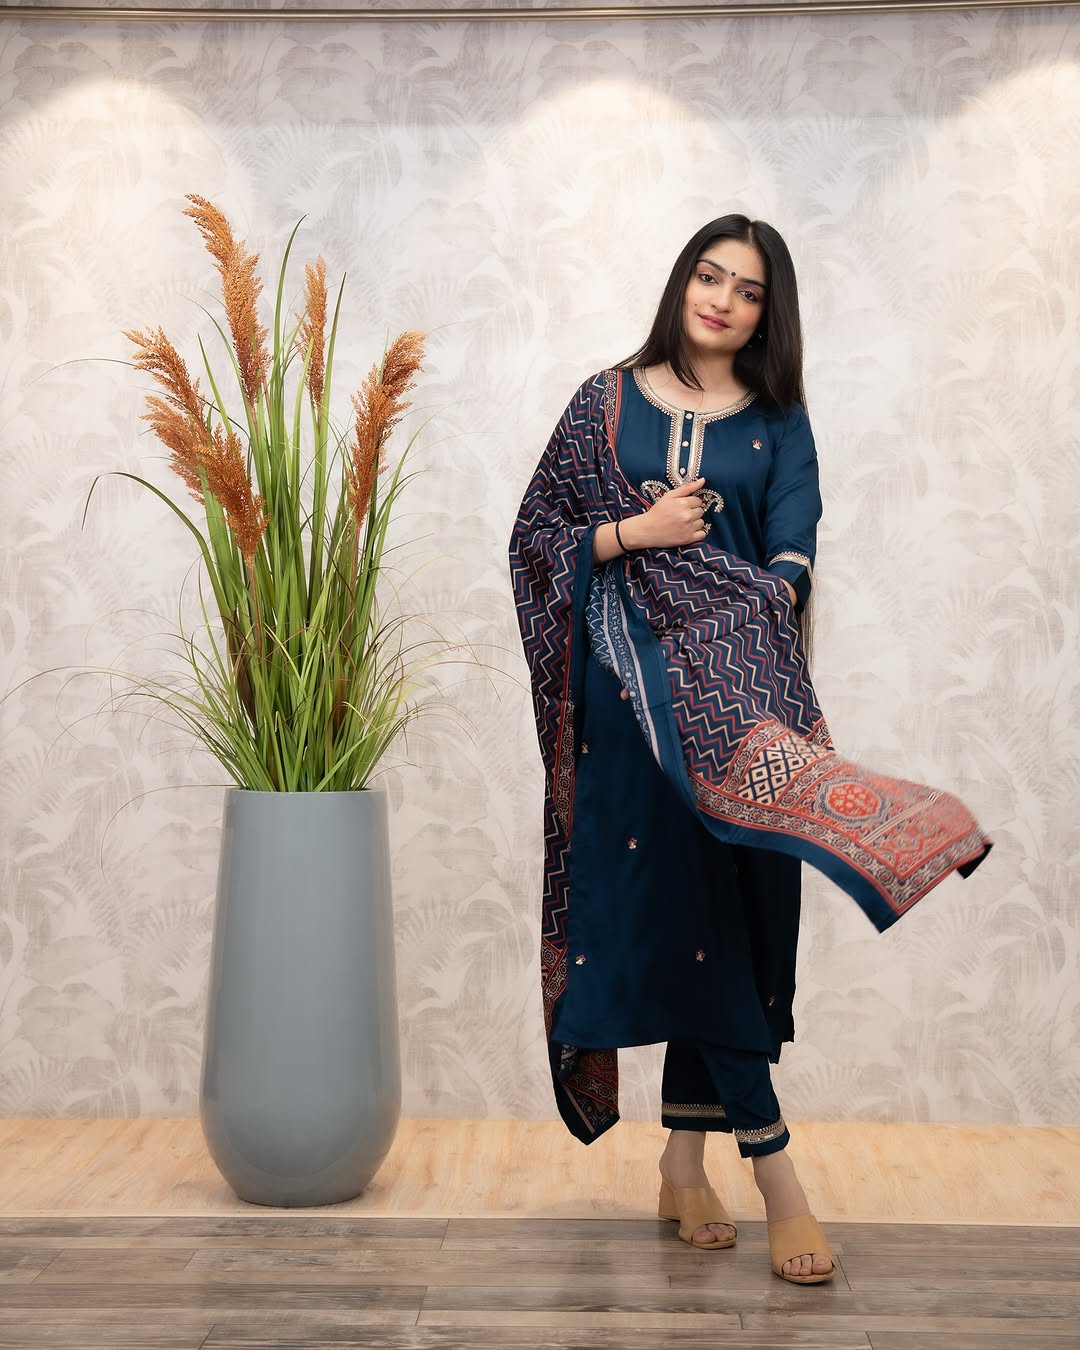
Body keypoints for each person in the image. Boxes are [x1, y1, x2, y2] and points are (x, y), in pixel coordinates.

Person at [508, 215, 990, 1286]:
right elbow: (535, 537)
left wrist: (741, 612)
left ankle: (684, 1163)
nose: (722, 298)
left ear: (771, 315)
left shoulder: (779, 424)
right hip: (628, 709)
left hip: (740, 708)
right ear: (681, 280)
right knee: (690, 919)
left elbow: (790, 554)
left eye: (749, 290)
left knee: (731, 917)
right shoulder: (604, 401)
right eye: (709, 276)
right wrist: (635, 536)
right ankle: (777, 1177)